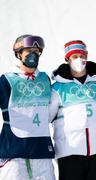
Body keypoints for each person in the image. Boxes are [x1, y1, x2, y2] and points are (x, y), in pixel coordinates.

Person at [49, 40, 96, 180]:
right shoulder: (57, 88)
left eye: (82, 56)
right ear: (67, 59)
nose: (79, 60)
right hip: (69, 154)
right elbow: (46, 117)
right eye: (74, 57)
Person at [0, 34, 55, 180]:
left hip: (42, 152)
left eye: (36, 52)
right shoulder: (6, 80)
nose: (33, 55)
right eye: (29, 51)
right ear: (19, 54)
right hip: (14, 154)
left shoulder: (45, 79)